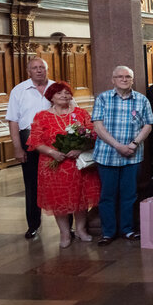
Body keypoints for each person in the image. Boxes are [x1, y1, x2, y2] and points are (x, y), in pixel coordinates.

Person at [26, 82, 100, 248]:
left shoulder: (80, 113)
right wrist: (53, 153)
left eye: (67, 93)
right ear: (51, 97)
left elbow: (92, 133)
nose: (64, 96)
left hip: (77, 164)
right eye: (59, 93)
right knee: (59, 200)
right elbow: (35, 141)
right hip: (53, 164)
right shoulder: (42, 116)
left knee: (79, 198)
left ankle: (81, 230)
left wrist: (79, 149)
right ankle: (65, 233)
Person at [92, 66, 153, 245]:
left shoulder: (141, 100)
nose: (124, 79)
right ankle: (108, 232)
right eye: (120, 76)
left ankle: (127, 229)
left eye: (128, 77)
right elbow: (98, 126)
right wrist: (117, 146)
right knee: (107, 195)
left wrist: (133, 144)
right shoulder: (103, 98)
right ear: (113, 79)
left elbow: (148, 125)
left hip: (132, 155)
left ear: (132, 80)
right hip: (107, 155)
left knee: (129, 195)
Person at [6, 57, 54, 239]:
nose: (39, 70)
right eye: (35, 68)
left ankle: (68, 227)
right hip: (28, 139)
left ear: (47, 69)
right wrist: (17, 148)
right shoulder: (19, 90)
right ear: (29, 71)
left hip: (54, 141)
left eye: (42, 67)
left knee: (61, 183)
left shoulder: (56, 88)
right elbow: (13, 121)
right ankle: (33, 225)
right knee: (32, 185)